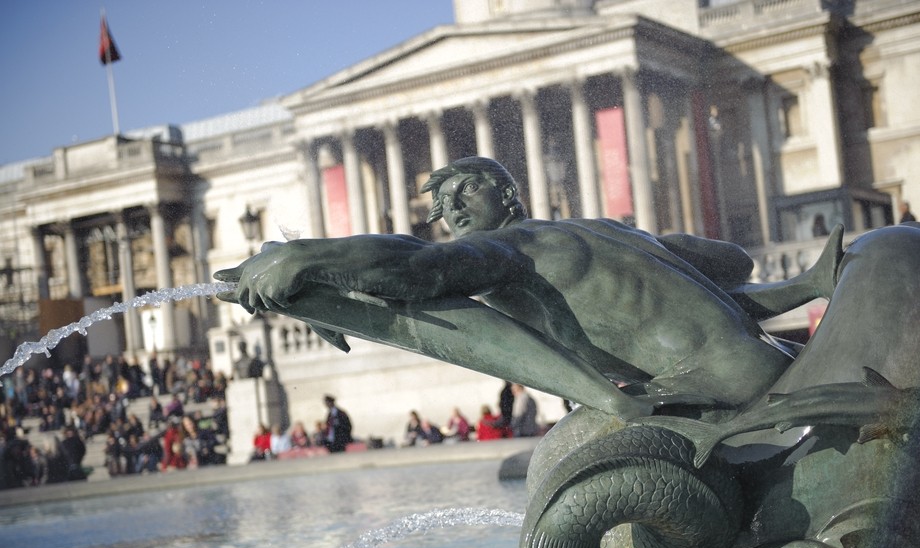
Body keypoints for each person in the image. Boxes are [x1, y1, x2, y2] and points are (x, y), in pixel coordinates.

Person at [217, 157, 843, 422]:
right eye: (443, 205)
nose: (453, 211)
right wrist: (808, 286)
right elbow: (728, 273)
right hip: (769, 365)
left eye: (467, 191)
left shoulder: (511, 252)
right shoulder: (605, 229)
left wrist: (306, 257)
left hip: (710, 396)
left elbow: (419, 271)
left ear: (508, 195)